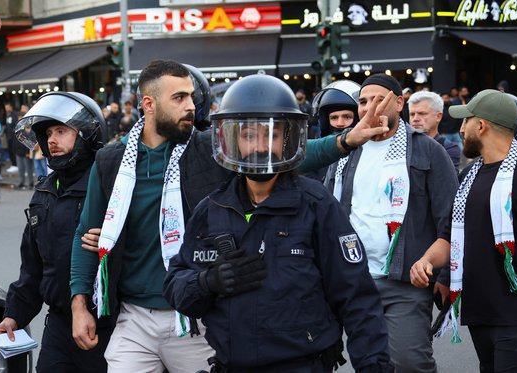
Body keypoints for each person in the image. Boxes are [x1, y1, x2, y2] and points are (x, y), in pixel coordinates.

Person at [70, 60, 348, 372]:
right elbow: (86, 234)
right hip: (133, 319)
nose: (191, 105)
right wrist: (79, 304)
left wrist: (344, 141)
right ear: (148, 104)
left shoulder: (209, 149)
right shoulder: (110, 162)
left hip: (195, 319)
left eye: (191, 96)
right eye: (179, 98)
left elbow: (281, 156)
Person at [163, 73, 392, 372]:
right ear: (230, 139)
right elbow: (177, 286)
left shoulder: (316, 205)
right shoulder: (211, 210)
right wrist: (207, 282)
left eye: (271, 134)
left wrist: (374, 367)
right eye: (248, 135)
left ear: (288, 138)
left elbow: (358, 299)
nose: (260, 145)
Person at [323, 73, 458, 372]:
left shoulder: (428, 151)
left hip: (405, 281)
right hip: (354, 279)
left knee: (410, 362)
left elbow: (450, 222)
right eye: (363, 101)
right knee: (370, 364)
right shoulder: (345, 150)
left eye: (378, 98)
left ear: (399, 103)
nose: (369, 106)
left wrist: (444, 275)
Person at [410, 89, 517, 372]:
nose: (461, 129)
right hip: (479, 314)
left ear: (481, 125)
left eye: (466, 121)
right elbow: (450, 236)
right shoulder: (468, 175)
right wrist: (427, 261)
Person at [0, 92, 110, 372]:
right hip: (59, 324)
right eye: (47, 133)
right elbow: (33, 267)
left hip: (106, 325)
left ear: (86, 134)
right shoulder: (45, 191)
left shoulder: (108, 186)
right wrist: (14, 315)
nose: (52, 140)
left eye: (61, 131)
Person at [408, 91, 460, 172]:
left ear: (438, 117)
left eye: (422, 113)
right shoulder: (402, 145)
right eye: (412, 114)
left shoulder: (448, 149)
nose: (415, 119)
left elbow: (446, 182)